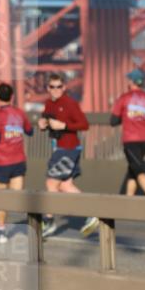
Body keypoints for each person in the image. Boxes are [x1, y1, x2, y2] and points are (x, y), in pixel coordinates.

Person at [37, 73, 98, 238]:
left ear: (64, 87)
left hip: (68, 148)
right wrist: (43, 125)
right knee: (65, 186)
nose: (56, 90)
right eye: (52, 87)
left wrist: (64, 125)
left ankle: (48, 221)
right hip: (60, 148)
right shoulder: (49, 104)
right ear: (48, 88)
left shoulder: (70, 103)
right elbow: (48, 122)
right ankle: (92, 214)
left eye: (59, 86)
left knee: (51, 183)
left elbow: (84, 124)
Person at [0, 82, 33, 243]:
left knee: (1, 199)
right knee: (17, 198)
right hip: (19, 161)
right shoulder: (20, 113)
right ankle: (35, 225)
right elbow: (30, 131)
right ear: (12, 96)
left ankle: (1, 232)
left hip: (2, 162)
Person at [111, 69, 145, 197]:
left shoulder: (124, 98)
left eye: (129, 80)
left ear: (131, 82)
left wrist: (125, 117)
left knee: (137, 168)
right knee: (133, 169)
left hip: (130, 140)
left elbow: (113, 121)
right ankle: (129, 199)